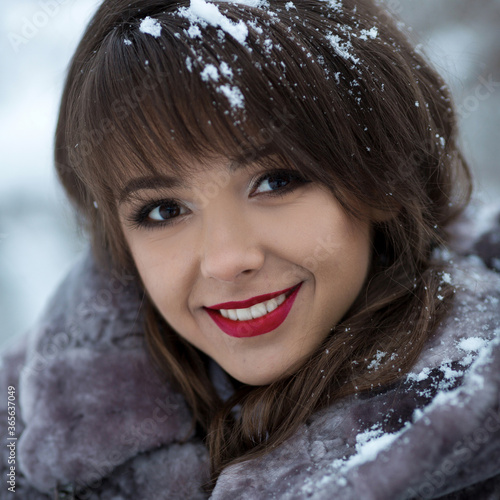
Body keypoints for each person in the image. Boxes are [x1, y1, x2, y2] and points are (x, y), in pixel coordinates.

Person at [1, 0, 499, 498]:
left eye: (276, 181)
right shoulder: (24, 429)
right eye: (164, 211)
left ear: (384, 174)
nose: (226, 259)